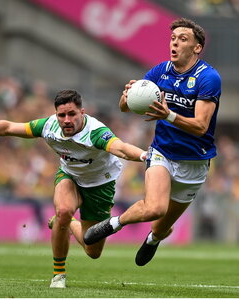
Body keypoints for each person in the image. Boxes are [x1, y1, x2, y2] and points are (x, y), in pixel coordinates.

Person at [0, 89, 147, 288]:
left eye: (72, 114)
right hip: (69, 176)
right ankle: (58, 274)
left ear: (82, 113)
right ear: (56, 115)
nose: (66, 120)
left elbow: (120, 148)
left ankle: (68, 223)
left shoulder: (96, 132)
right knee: (64, 210)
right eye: (62, 115)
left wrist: (144, 156)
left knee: (92, 251)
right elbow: (9, 127)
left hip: (99, 186)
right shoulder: (48, 126)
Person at [84, 17, 221, 267]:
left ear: (197, 47)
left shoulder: (208, 77)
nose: (175, 43)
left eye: (183, 39)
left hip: (195, 162)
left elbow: (201, 126)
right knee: (155, 207)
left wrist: (168, 114)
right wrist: (128, 96)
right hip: (162, 153)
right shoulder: (160, 71)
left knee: (161, 227)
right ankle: (113, 224)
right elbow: (125, 108)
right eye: (173, 38)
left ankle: (153, 239)